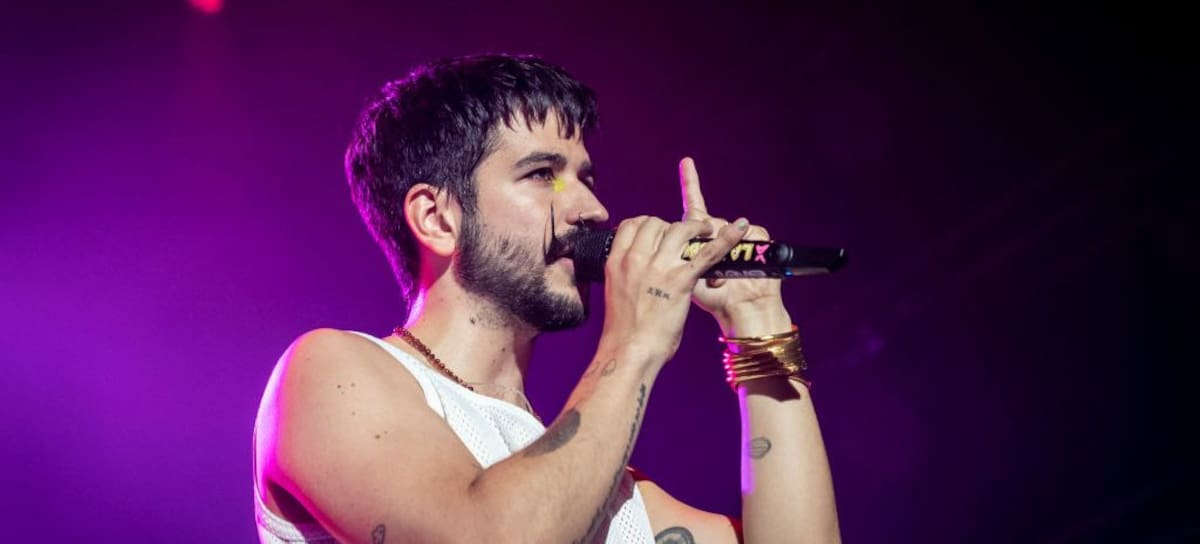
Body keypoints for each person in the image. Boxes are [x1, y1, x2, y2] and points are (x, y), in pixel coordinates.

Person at [252, 54, 840, 544]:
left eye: (585, 178)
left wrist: (757, 323)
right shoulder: (329, 372)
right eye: (543, 175)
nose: (593, 209)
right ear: (437, 218)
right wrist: (635, 343)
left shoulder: (597, 483)